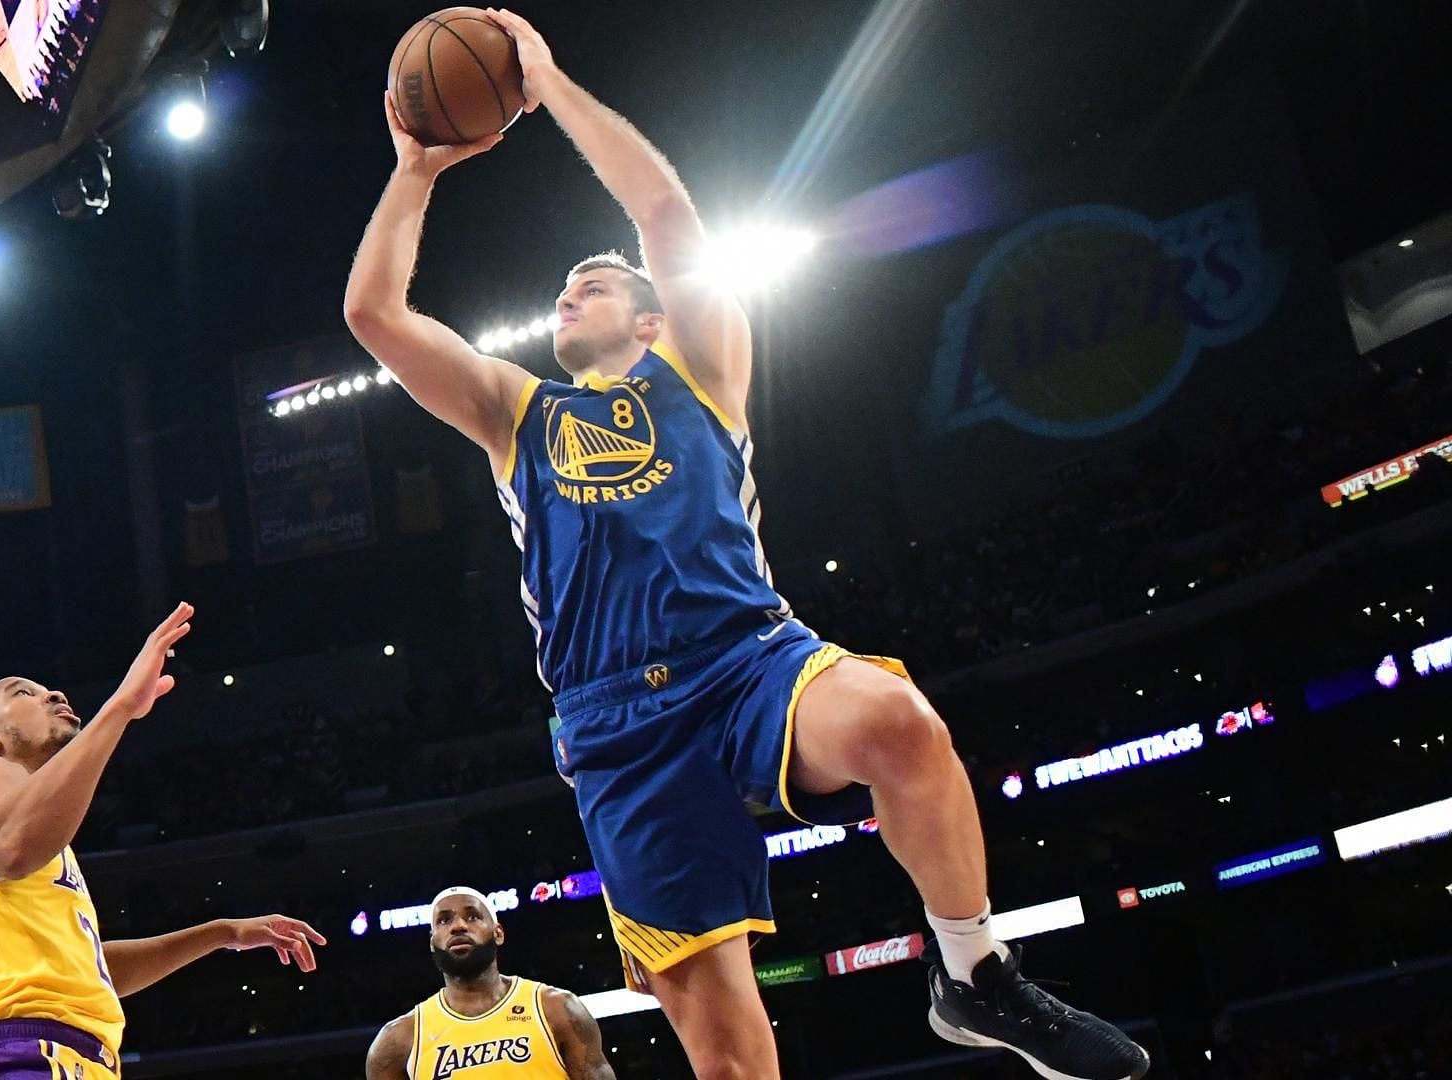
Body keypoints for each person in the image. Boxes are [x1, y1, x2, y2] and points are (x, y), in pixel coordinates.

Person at [343, 10, 1148, 1079]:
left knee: (901, 723)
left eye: (589, 286)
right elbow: (374, 313)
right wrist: (417, 169)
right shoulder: (514, 411)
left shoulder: (704, 370)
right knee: (726, 1052)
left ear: (646, 318)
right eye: (559, 291)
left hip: (744, 659)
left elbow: (665, 211)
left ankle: (976, 976)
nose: (563, 298)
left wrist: (549, 84)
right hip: (616, 723)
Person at [0, 604, 328, 1079]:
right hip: (24, 1055)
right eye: (24, 692)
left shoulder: (47, 841)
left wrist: (224, 933)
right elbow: (10, 849)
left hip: (81, 1059)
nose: (54, 693)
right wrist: (120, 707)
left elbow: (91, 969)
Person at [365, 887, 614, 1080]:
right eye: (444, 920)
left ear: (498, 933)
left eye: (472, 916)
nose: (459, 926)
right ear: (432, 942)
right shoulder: (397, 1041)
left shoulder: (557, 1008)